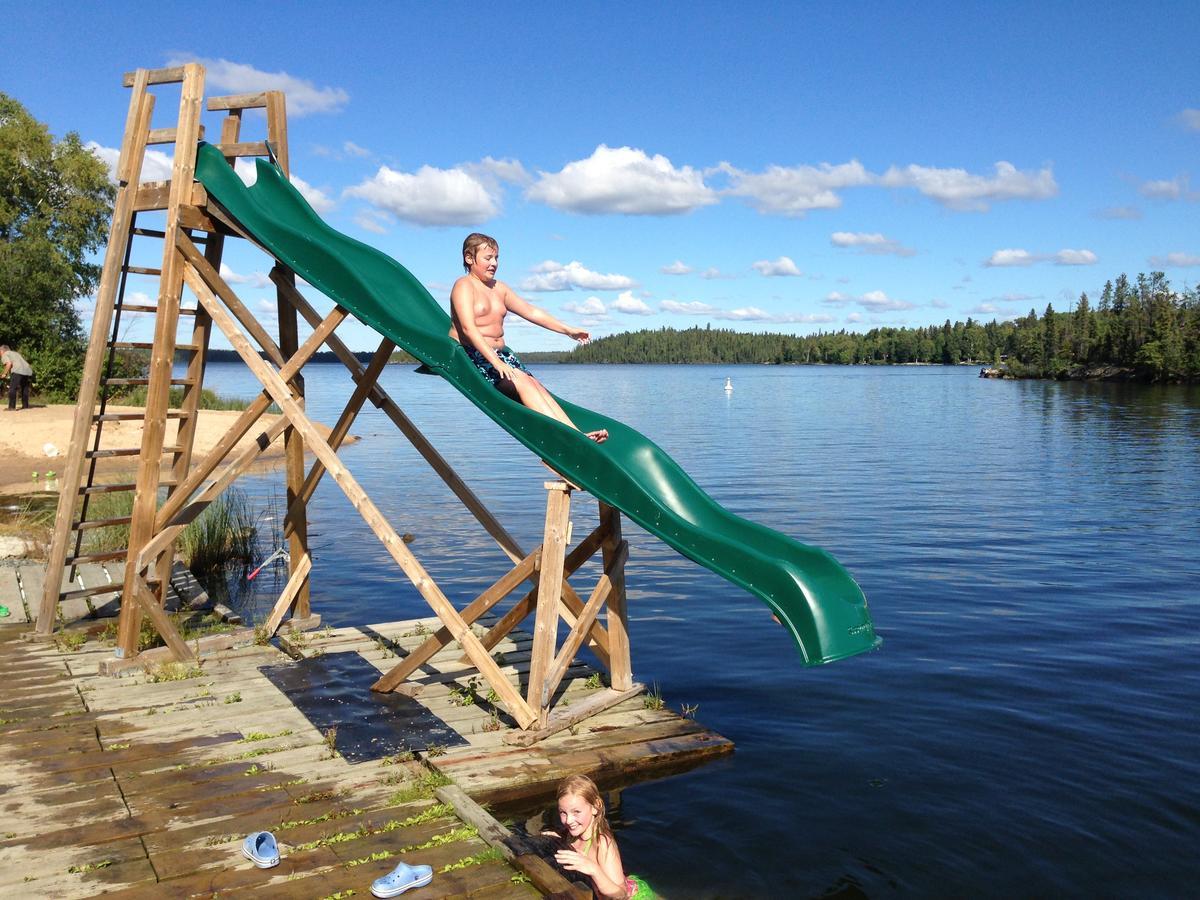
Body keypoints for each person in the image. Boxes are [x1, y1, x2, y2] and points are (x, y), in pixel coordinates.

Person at [449, 233, 607, 443]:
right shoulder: (463, 286)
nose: (494, 263)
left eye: (496, 258)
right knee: (523, 382)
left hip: (501, 357)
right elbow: (469, 329)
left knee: (534, 384)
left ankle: (576, 434)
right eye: (488, 258)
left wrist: (567, 330)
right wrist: (495, 362)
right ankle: (570, 437)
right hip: (474, 357)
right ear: (470, 258)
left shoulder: (499, 288)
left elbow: (531, 312)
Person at [545, 774, 654, 899]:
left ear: (595, 807)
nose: (569, 820)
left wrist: (594, 869)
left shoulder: (602, 843)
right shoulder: (570, 832)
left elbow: (621, 894)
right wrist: (558, 836)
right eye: (563, 812)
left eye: (576, 812)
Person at [0, 345, 33, 411]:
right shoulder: (16, 353)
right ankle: (25, 406)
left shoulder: (5, 354)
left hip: (18, 370)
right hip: (27, 370)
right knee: (24, 388)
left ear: (2, 351)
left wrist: (4, 373)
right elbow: (16, 363)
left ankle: (11, 407)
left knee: (12, 388)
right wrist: (9, 373)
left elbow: (9, 364)